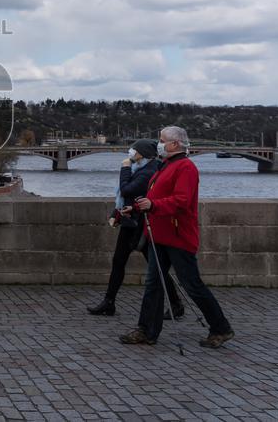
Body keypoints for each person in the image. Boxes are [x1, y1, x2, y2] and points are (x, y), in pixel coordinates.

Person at [119, 126, 235, 348]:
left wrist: (152, 205)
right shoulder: (166, 165)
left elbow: (181, 200)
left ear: (174, 144)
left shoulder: (186, 168)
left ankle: (221, 327)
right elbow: (154, 197)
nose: (158, 143)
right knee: (154, 284)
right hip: (160, 235)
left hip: (178, 236)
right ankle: (147, 330)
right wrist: (135, 208)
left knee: (192, 284)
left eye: (162, 140)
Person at [86, 139, 183, 318]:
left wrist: (124, 168)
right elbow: (127, 199)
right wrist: (117, 213)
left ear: (142, 153)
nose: (131, 152)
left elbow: (126, 190)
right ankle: (109, 302)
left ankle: (175, 303)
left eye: (134, 150)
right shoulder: (143, 168)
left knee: (154, 267)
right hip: (132, 221)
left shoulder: (148, 171)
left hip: (140, 225)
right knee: (121, 262)